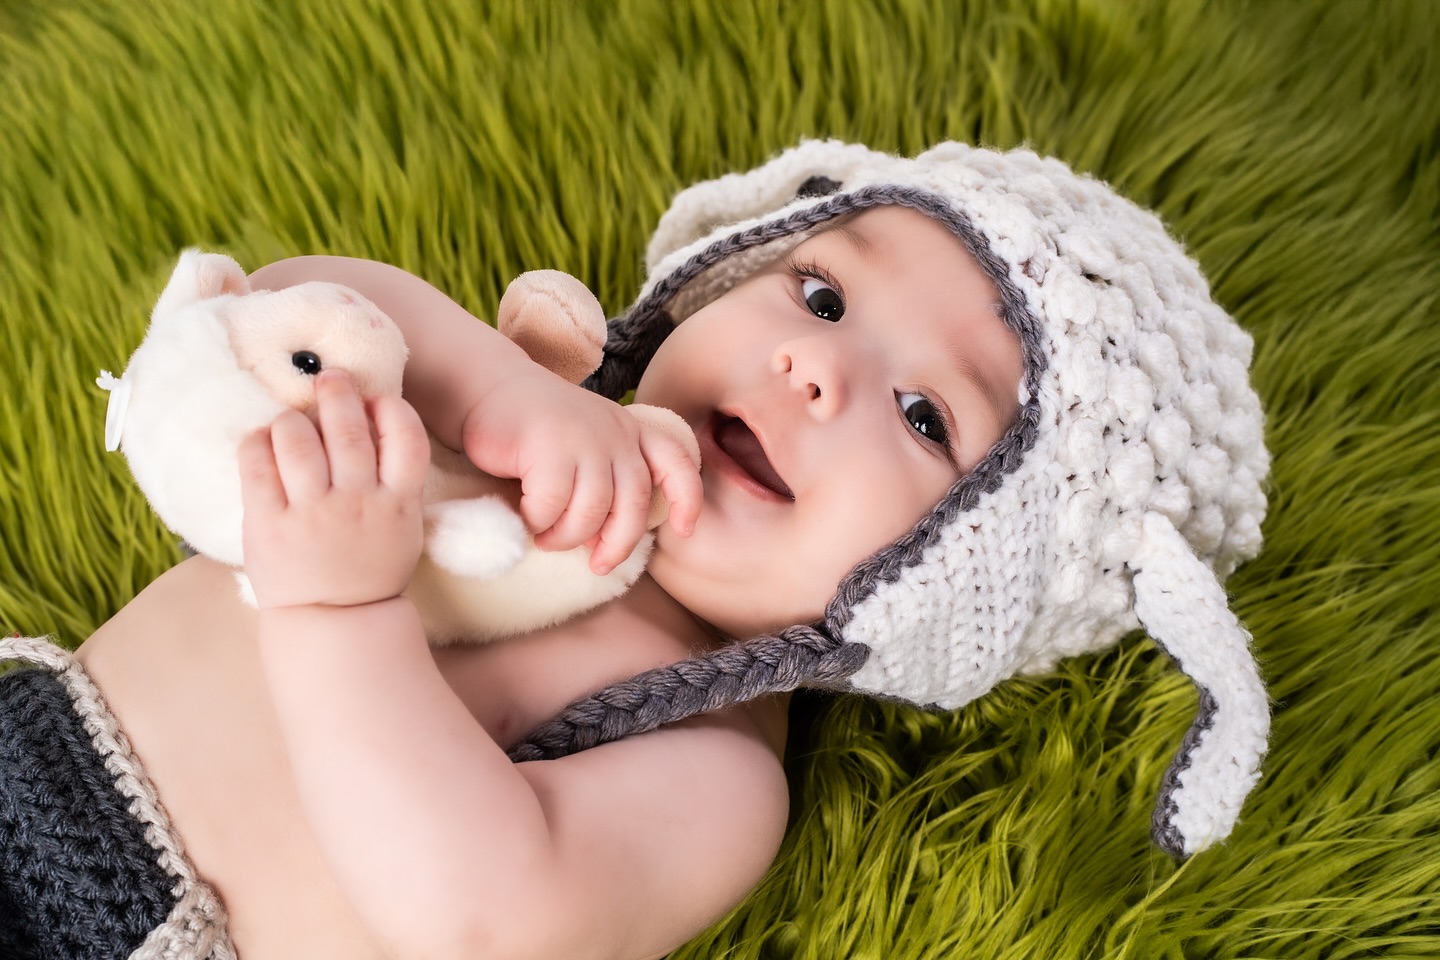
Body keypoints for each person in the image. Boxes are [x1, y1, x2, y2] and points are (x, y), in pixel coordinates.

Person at [0, 140, 1271, 959]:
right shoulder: (540, 431)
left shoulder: (713, 777)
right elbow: (309, 314)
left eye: (929, 416)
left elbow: (481, 914)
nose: (815, 367)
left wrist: (342, 613)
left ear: (958, 586)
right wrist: (496, 387)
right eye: (823, 294)